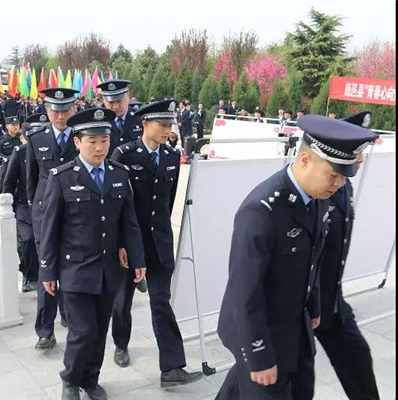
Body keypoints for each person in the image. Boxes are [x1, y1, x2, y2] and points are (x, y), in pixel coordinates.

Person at [215, 114, 378, 400]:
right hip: (260, 332)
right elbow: (245, 290)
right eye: (334, 175)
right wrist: (258, 355)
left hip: (295, 326)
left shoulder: (316, 199)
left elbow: (313, 258)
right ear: (305, 160)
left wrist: (314, 305)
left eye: (344, 176)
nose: (339, 184)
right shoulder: (262, 210)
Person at [39, 107, 146, 400]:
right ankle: (70, 380)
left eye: (104, 140)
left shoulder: (119, 174)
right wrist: (47, 270)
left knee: (99, 331)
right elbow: (50, 228)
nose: (99, 148)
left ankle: (91, 379)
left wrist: (138, 260)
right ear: (77, 142)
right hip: (75, 270)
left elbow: (129, 222)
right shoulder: (61, 177)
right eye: (92, 141)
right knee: (82, 331)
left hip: (108, 270)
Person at [111, 99, 204, 387]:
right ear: (145, 124)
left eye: (170, 125)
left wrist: (164, 232)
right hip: (130, 243)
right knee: (123, 299)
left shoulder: (172, 156)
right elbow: (115, 203)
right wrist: (120, 243)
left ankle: (172, 368)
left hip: (160, 241)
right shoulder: (124, 154)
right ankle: (121, 343)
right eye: (162, 125)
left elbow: (168, 200)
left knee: (161, 302)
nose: (168, 130)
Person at [313, 111, 380, 400]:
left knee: (357, 357)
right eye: (357, 151)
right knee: (263, 374)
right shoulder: (314, 186)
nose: (361, 159)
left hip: (330, 303)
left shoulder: (343, 185)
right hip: (297, 307)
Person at [26, 87, 79, 349]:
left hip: (73, 215)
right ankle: (45, 331)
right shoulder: (36, 138)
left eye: (66, 110)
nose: (61, 116)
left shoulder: (82, 137)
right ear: (47, 111)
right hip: (44, 214)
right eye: (56, 111)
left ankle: (69, 314)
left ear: (74, 109)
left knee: (71, 268)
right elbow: (31, 181)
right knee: (46, 269)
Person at [0, 114, 48, 293]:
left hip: (46, 204)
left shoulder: (49, 151)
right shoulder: (20, 153)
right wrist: (6, 206)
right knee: (28, 240)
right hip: (24, 206)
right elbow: (9, 182)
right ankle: (30, 276)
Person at [96, 79, 143, 153]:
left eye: (119, 101)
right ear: (103, 100)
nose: (115, 106)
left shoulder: (141, 118)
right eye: (110, 102)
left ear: (128, 96)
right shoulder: (99, 122)